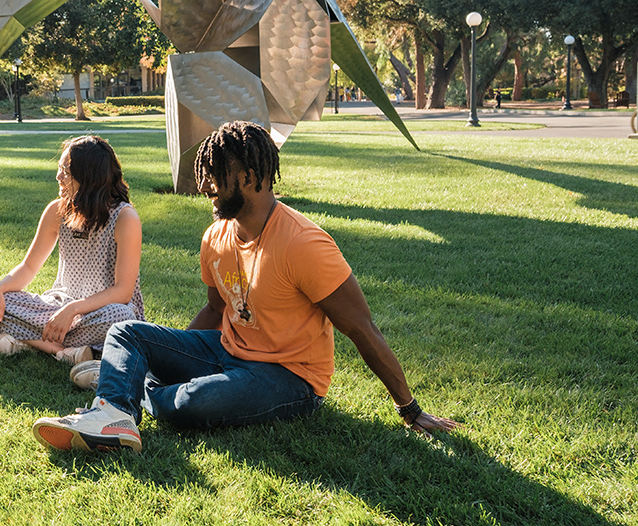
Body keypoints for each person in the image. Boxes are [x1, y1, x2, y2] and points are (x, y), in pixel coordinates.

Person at [32, 121, 459, 453]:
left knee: (182, 405)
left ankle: (127, 384)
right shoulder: (216, 237)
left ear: (252, 177)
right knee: (126, 333)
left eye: (216, 175)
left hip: (289, 377)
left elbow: (363, 329)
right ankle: (111, 415)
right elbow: (216, 311)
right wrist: (170, 351)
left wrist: (410, 410)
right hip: (229, 352)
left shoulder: (303, 244)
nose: (204, 186)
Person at [0, 135, 143, 367]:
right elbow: (29, 267)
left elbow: (123, 292)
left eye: (66, 172)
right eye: (60, 169)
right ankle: (64, 351)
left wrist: (73, 310)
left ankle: (30, 342)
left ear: (89, 177)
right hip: (58, 306)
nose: (58, 177)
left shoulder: (125, 218)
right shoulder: (57, 211)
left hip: (101, 312)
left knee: (123, 320)